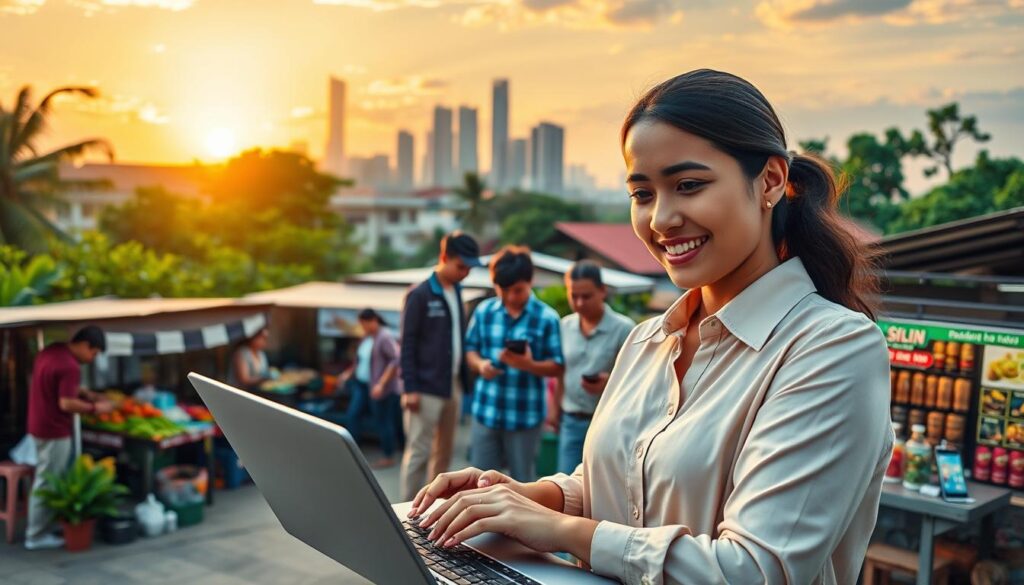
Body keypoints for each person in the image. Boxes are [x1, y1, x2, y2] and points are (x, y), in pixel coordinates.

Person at [407, 69, 892, 585]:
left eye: (688, 185)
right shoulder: (647, 340)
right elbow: (621, 487)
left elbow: (753, 569)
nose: (661, 219)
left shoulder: (833, 349)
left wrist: (560, 530)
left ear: (771, 180)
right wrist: (524, 497)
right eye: (642, 194)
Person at [463, 246, 564, 482]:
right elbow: (470, 350)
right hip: (486, 411)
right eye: (503, 290)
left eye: (517, 290)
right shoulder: (484, 311)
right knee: (479, 484)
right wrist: (480, 366)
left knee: (523, 485)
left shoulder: (547, 318)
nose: (510, 297)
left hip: (525, 416)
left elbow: (558, 367)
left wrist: (528, 364)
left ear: (530, 281)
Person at [399, 232, 481, 501]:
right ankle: (405, 510)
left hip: (452, 384)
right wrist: (409, 387)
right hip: (424, 387)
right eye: (460, 266)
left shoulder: (456, 291)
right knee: (419, 452)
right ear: (444, 258)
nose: (465, 273)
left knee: (444, 453)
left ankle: (432, 508)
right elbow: (407, 343)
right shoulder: (420, 294)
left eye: (469, 268)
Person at [25, 325, 115, 550]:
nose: (92, 359)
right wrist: (97, 407)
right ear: (85, 345)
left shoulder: (51, 351)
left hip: (38, 425)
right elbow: (65, 403)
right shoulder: (70, 366)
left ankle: (44, 526)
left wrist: (83, 392)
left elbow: (56, 386)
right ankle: (36, 535)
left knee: (45, 476)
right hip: (54, 429)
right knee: (47, 480)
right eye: (93, 353)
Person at [552, 260, 634, 474]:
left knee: (601, 488)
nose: (579, 303)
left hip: (608, 423)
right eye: (573, 296)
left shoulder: (624, 329)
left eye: (586, 296)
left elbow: (635, 379)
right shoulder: (565, 326)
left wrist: (608, 382)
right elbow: (560, 372)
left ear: (602, 291)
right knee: (565, 485)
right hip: (570, 420)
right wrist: (554, 408)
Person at [338, 309, 403, 468]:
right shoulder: (367, 338)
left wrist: (381, 383)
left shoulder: (385, 337)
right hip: (362, 384)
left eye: (364, 323)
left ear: (373, 320)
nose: (363, 327)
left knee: (383, 421)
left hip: (380, 388)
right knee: (353, 415)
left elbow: (395, 360)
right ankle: (352, 450)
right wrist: (347, 373)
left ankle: (388, 455)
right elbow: (360, 361)